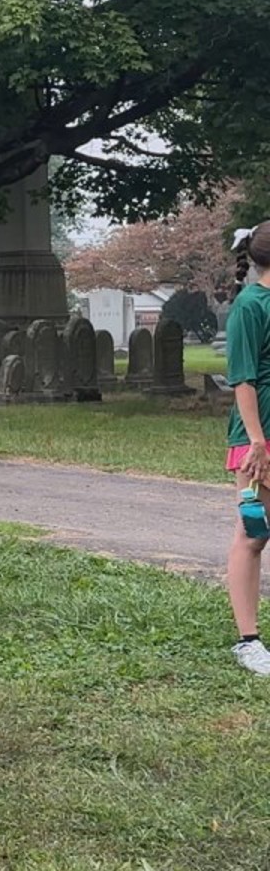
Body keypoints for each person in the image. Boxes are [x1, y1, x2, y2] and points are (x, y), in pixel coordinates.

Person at [227, 222, 270, 674]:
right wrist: (256, 442)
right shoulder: (249, 306)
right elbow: (243, 379)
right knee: (254, 533)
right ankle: (248, 642)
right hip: (260, 438)